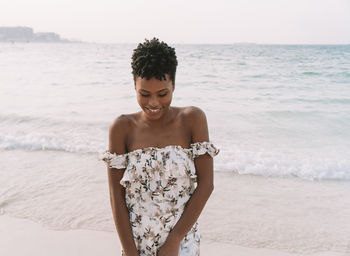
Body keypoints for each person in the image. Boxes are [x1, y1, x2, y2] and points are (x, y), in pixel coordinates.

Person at [100, 38, 219, 256]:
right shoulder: (122, 127)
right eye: (144, 94)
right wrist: (129, 251)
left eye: (162, 94)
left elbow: (206, 185)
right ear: (134, 85)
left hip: (182, 243)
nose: (153, 103)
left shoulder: (192, 119)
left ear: (174, 84)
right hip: (136, 244)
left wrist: (175, 240)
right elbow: (116, 196)